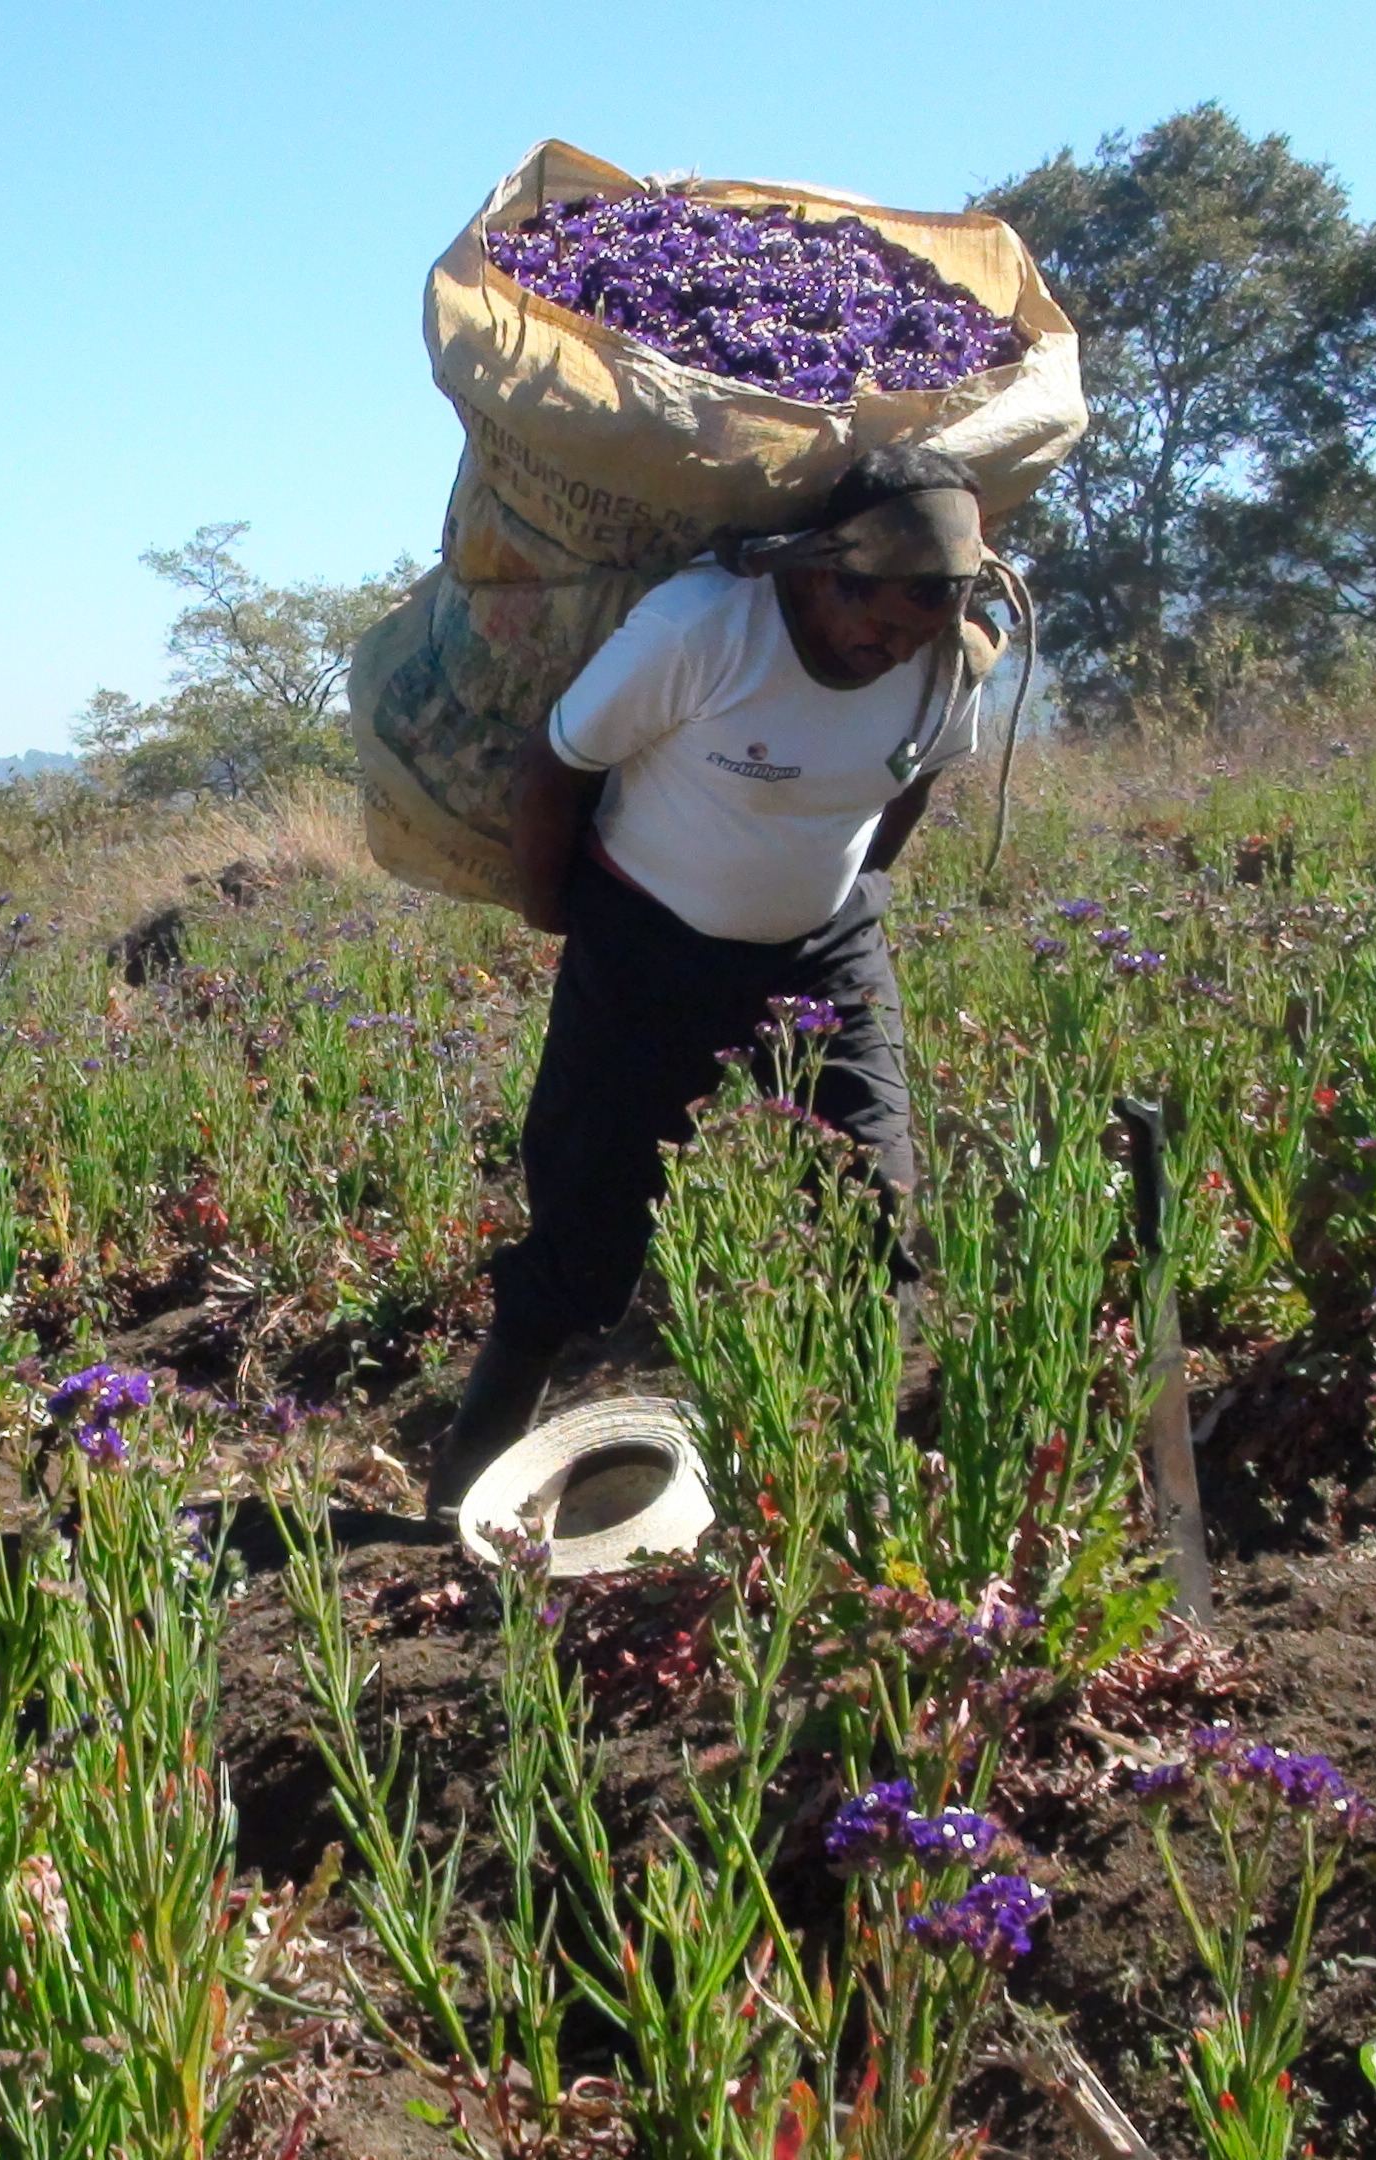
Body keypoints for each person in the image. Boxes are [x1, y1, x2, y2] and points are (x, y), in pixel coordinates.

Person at [427, 442, 1000, 1518]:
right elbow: (554, 766)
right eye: (873, 616)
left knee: (873, 1207)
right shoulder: (702, 630)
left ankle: (854, 1492)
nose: (889, 645)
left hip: (826, 952)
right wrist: (568, 920)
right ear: (817, 572)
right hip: (648, 945)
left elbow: (913, 780)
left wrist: (838, 891)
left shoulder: (948, 658)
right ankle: (465, 1480)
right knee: (589, 1230)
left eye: (919, 624)